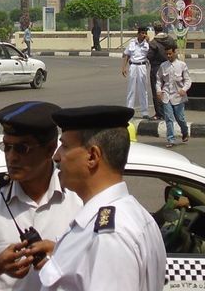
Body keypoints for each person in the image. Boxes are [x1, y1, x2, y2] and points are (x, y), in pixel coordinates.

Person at [0, 101, 82, 291]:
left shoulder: (78, 198)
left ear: (50, 149)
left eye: (22, 149)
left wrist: (61, 258)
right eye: (6, 147)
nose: (11, 157)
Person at [34, 105, 166, 291]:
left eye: (64, 146)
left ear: (92, 156)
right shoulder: (129, 215)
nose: (57, 157)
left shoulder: (109, 236)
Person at [155, 43, 191, 148]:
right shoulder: (163, 66)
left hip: (178, 97)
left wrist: (184, 89)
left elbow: (188, 80)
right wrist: (158, 91)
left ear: (175, 52)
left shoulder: (182, 65)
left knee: (180, 118)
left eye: (170, 54)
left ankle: (184, 132)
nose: (169, 56)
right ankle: (171, 139)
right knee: (169, 118)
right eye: (167, 54)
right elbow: (158, 80)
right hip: (166, 96)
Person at [122, 26, 150, 119]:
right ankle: (129, 110)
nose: (144, 35)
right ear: (138, 34)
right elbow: (126, 55)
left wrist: (148, 42)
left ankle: (144, 112)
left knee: (143, 89)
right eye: (142, 33)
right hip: (133, 65)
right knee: (131, 89)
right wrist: (123, 67)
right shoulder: (132, 42)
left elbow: (151, 53)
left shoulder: (148, 44)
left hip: (142, 66)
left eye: (145, 33)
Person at [147, 22, 174, 120]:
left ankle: (159, 113)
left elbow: (149, 56)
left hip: (157, 68)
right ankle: (170, 111)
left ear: (154, 30)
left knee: (157, 91)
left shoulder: (153, 42)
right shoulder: (170, 40)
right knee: (168, 89)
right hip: (169, 66)